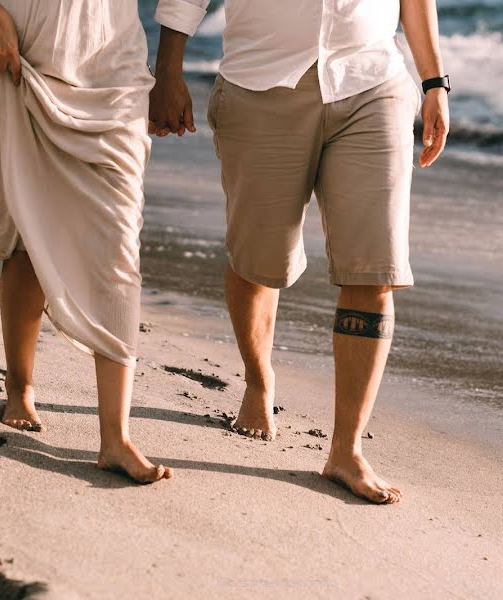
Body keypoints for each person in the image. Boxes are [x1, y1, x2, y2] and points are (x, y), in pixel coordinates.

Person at [150, 0, 449, 503]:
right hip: (261, 83)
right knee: (259, 262)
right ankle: (258, 380)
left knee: (373, 268)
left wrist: (434, 84)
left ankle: (346, 450)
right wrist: (168, 72)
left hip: (371, 82)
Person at [0, 0, 172, 483]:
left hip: (114, 80)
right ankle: (19, 385)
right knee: (24, 232)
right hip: (18, 66)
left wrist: (172, 69)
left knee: (119, 250)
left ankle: (116, 437)